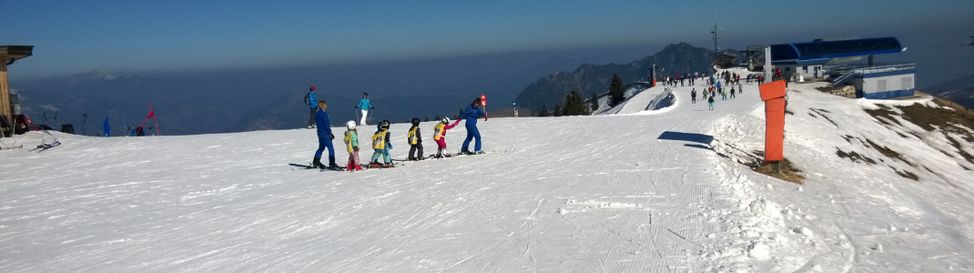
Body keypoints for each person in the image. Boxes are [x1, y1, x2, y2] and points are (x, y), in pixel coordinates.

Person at [312, 100, 338, 169]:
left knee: (321, 147)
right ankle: (332, 163)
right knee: (331, 148)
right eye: (325, 105)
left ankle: (316, 161)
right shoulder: (324, 114)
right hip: (325, 133)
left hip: (319, 133)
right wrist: (330, 133)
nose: (326, 106)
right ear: (323, 105)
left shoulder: (317, 113)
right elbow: (326, 124)